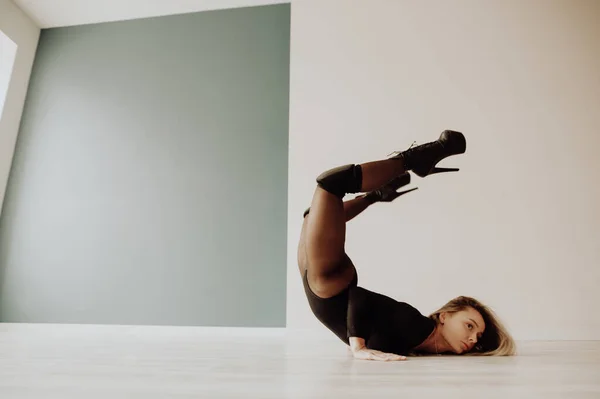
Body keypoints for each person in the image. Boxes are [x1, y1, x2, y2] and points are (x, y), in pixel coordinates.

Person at [297, 130, 516, 361]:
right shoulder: (418, 325)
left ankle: (376, 195)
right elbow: (359, 297)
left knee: (313, 216)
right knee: (331, 184)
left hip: (324, 286)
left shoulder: (417, 341)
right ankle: (411, 159)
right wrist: (358, 346)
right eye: (469, 326)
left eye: (478, 336)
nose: (473, 339)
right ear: (444, 316)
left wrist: (360, 341)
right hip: (330, 283)